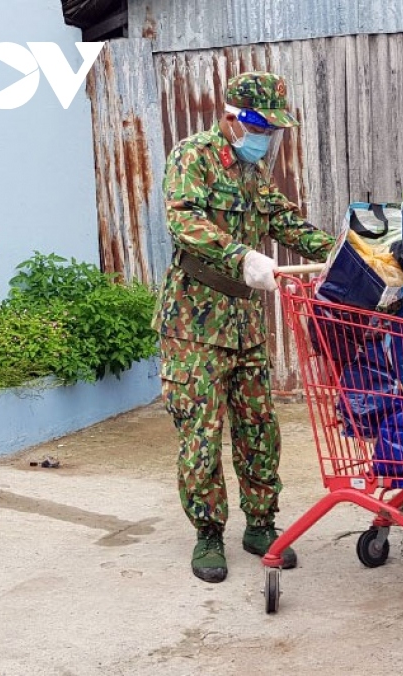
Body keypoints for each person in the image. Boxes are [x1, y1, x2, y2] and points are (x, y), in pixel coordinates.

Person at [154, 72, 334, 583]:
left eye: (273, 129)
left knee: (259, 430)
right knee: (202, 435)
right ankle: (209, 533)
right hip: (194, 324)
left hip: (245, 325)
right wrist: (240, 255)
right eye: (260, 126)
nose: (267, 137)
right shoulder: (194, 157)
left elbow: (286, 223)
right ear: (233, 118)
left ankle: (260, 523)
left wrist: (346, 255)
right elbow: (184, 221)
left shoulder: (255, 173)